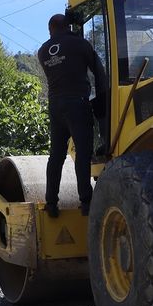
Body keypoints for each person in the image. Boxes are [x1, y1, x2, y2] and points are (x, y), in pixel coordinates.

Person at [38, 13, 107, 217]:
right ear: (67, 27)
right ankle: (86, 202)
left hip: (55, 106)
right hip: (77, 103)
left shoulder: (43, 51)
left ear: (50, 29)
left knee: (56, 155)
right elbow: (99, 71)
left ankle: (51, 202)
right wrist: (103, 100)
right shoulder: (79, 44)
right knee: (83, 153)